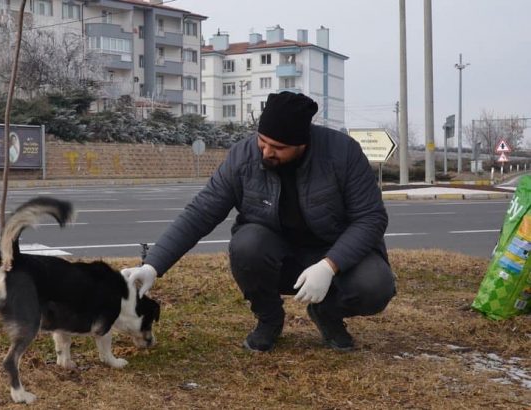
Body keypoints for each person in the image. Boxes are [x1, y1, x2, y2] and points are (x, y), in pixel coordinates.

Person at [122, 92, 396, 352]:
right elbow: (201, 212)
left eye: (278, 147)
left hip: (333, 249)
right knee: (247, 243)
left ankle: (327, 312)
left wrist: (329, 265)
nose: (266, 152)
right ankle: (269, 320)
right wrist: (153, 265)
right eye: (262, 141)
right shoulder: (243, 157)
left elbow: (371, 218)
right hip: (277, 254)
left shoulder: (343, 153)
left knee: (375, 286)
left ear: (302, 143)